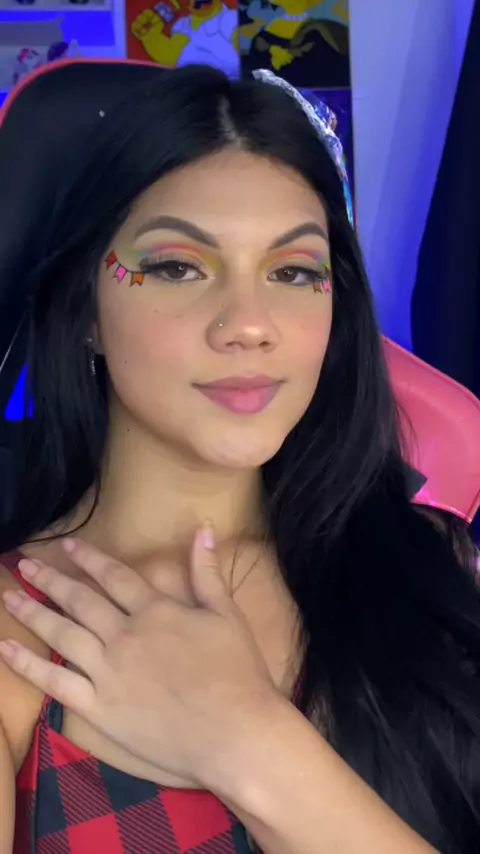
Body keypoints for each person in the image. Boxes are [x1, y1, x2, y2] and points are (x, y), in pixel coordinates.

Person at [0, 60, 479, 854]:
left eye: (293, 271)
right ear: (85, 310)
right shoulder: (17, 637)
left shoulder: (434, 568)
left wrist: (245, 737)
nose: (250, 324)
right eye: (177, 266)